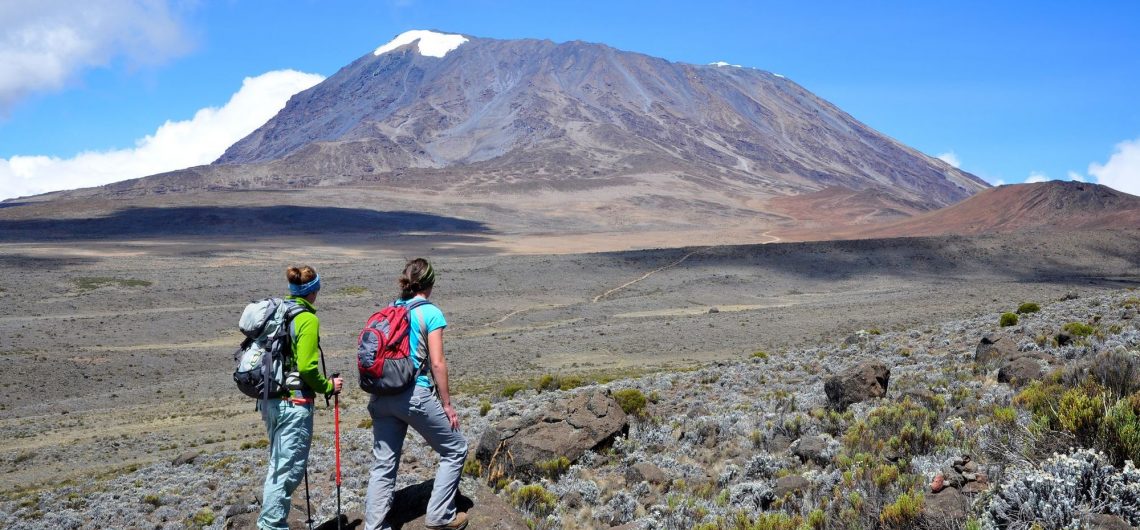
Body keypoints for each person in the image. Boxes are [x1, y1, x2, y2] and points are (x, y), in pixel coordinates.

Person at [365, 258, 469, 530]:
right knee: (456, 448)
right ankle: (440, 515)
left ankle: (374, 527)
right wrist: (447, 404)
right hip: (414, 395)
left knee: (384, 465)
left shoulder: (391, 309)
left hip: (381, 396)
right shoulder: (431, 313)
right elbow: (437, 363)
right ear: (430, 284)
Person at [259, 265, 345, 530]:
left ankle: (270, 523)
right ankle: (271, 526)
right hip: (293, 404)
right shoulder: (307, 319)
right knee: (287, 472)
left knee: (278, 466)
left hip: (271, 399)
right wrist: (328, 386)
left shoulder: (280, 312)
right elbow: (308, 367)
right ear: (313, 290)